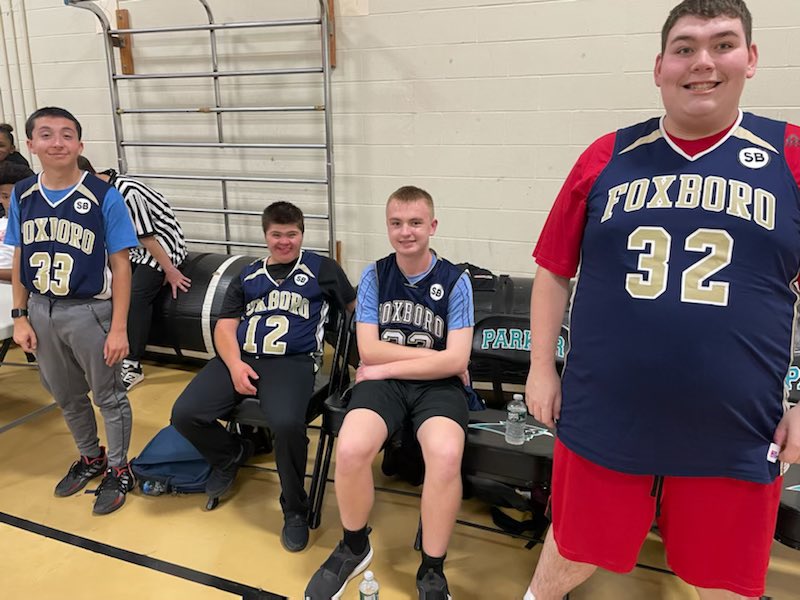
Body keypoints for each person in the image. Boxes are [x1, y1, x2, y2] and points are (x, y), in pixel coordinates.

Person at [523, 2, 800, 599]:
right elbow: (553, 271)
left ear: (750, 59)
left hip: (735, 426)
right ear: (659, 67)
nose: (702, 62)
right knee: (572, 546)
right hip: (603, 414)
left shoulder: (792, 155)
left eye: (722, 44)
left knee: (725, 579)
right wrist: (541, 366)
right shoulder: (607, 156)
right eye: (684, 48)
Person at [305, 186, 474, 600]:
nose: (406, 232)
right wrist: (421, 358)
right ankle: (354, 545)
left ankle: (432, 570)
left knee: (446, 454)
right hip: (387, 386)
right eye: (396, 223)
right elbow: (368, 349)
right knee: (350, 449)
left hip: (435, 388)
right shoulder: (374, 275)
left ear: (432, 226)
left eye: (415, 222)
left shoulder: (456, 281)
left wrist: (387, 365)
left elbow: (456, 362)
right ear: (387, 227)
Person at [171, 201, 355, 552]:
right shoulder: (249, 274)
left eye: (292, 234)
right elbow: (225, 327)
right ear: (265, 235)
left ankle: (295, 509)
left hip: (292, 361)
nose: (284, 242)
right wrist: (236, 364)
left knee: (286, 424)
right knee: (184, 413)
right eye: (276, 235)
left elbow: (353, 310)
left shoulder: (322, 268)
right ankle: (230, 453)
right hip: (242, 357)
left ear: (302, 234)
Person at [6, 106, 139, 515]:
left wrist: (119, 329)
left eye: (67, 134)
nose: (57, 142)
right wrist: (20, 314)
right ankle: (90, 457)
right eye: (46, 134)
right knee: (65, 394)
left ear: (79, 144)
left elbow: (121, 265)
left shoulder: (103, 196)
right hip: (42, 309)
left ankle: (119, 468)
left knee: (109, 395)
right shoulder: (23, 194)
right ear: (31, 145)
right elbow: (20, 256)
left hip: (90, 312)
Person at [77, 156, 191, 390]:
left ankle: (133, 364)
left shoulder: (126, 192)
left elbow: (148, 237)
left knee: (136, 295)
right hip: (131, 247)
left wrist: (170, 270)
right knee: (106, 286)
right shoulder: (93, 193)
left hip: (163, 244)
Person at [0, 162, 34, 281]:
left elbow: (29, 271)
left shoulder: (33, 227)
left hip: (12, 287)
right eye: (5, 196)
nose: (11, 203)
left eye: (16, 198)